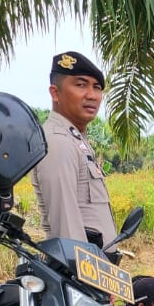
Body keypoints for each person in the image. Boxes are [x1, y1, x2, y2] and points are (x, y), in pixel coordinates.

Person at [31, 51, 116, 247]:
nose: (92, 96)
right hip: (82, 270)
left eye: (97, 88)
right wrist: (82, 273)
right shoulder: (58, 142)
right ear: (55, 93)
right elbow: (66, 227)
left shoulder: (75, 139)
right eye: (80, 85)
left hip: (98, 267)